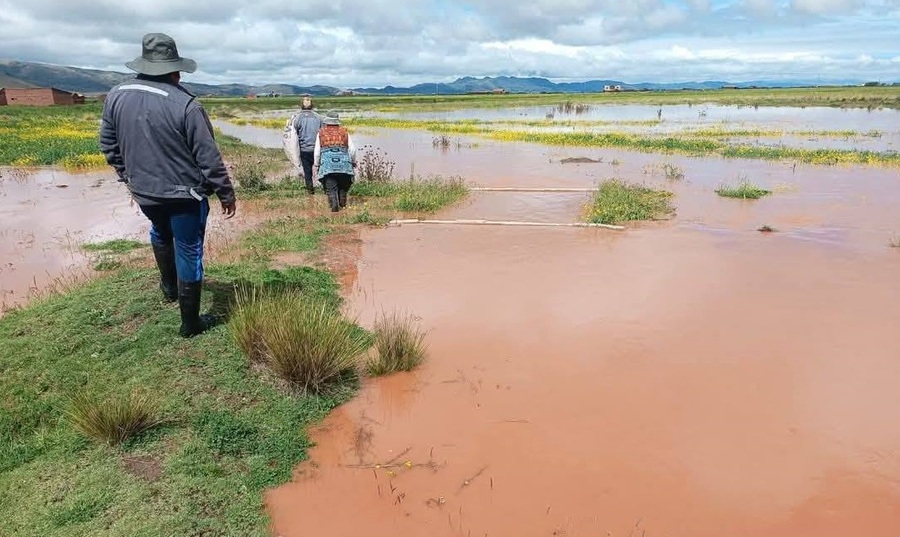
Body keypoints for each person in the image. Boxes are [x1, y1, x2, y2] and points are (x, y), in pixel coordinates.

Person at [99, 32, 236, 338]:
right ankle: (190, 323)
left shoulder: (116, 95)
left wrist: (128, 178)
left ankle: (169, 288)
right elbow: (209, 158)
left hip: (144, 193)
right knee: (189, 250)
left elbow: (109, 145)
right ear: (173, 70)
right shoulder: (186, 105)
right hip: (184, 196)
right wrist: (226, 193)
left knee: (160, 231)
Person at [314, 111, 357, 212]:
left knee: (331, 190)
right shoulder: (344, 132)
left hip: (328, 166)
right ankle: (342, 208)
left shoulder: (321, 133)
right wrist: (353, 162)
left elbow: (317, 152)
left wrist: (316, 164)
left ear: (326, 122)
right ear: (337, 122)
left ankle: (335, 211)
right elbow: (352, 150)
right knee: (343, 189)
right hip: (344, 165)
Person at [292, 95, 323, 194]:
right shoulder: (319, 117)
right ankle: (326, 188)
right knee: (321, 169)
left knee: (307, 172)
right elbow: (323, 132)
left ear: (301, 105)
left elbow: (293, 135)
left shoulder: (297, 118)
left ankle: (310, 191)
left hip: (304, 149)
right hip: (318, 149)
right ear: (312, 105)